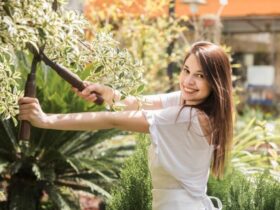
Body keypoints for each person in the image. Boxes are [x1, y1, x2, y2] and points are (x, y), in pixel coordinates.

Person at [18, 41, 233, 210]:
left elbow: (114, 120)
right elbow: (137, 102)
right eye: (186, 70)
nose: (188, 81)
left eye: (200, 76)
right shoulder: (189, 103)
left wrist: (45, 120)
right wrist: (107, 94)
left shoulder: (189, 117)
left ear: (215, 83)